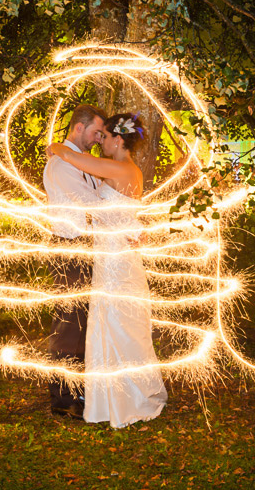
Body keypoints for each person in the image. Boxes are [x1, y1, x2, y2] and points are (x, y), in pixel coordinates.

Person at [46, 112, 168, 429]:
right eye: (96, 134)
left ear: (118, 139)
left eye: (105, 135)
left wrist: (57, 147)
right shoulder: (122, 170)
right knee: (105, 324)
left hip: (114, 259)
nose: (100, 141)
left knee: (114, 324)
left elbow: (79, 167)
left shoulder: (114, 167)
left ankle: (121, 395)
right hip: (109, 256)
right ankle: (105, 394)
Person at [42, 105, 107, 418]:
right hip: (70, 248)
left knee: (82, 322)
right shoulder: (62, 164)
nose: (98, 139)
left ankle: (77, 391)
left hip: (86, 247)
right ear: (79, 128)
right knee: (68, 323)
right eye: (96, 132)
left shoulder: (79, 162)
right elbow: (91, 202)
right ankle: (62, 398)